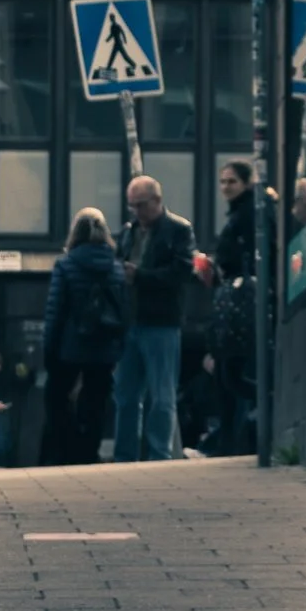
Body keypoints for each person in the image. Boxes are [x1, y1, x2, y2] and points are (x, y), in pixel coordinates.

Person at [112, 175, 195, 462]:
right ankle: (125, 456)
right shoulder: (128, 231)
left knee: (161, 397)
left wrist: (141, 276)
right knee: (126, 396)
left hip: (162, 322)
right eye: (132, 206)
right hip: (131, 321)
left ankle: (159, 455)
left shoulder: (178, 230)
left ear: (157, 201)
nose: (136, 212)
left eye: (141, 205)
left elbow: (183, 271)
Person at [41, 211, 128, 466]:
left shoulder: (65, 264)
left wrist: (49, 349)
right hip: (104, 348)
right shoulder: (116, 267)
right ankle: (88, 453)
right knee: (96, 403)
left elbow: (55, 311)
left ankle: (63, 452)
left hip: (70, 347)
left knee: (57, 398)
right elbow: (123, 309)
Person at [204, 157, 261, 456]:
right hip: (236, 298)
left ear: (247, 182)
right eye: (223, 181)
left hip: (243, 302)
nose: (225, 187)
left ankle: (233, 443)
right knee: (229, 375)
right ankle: (229, 443)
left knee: (233, 375)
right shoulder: (240, 213)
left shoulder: (249, 214)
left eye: (232, 181)